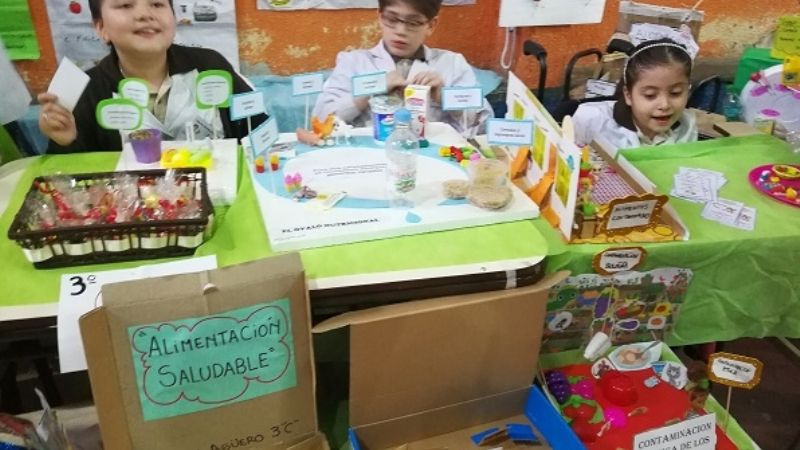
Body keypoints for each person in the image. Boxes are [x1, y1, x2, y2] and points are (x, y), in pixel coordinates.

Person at [38, 0, 266, 153]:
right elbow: (72, 181)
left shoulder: (210, 65)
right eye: (125, 5)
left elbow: (256, 133)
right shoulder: (86, 91)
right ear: (101, 28)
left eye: (157, 4)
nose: (145, 14)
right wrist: (65, 142)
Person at [313, 0, 493, 137]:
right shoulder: (353, 62)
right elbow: (321, 120)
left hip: (434, 161)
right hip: (368, 160)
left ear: (431, 25)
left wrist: (444, 97)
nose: (401, 31)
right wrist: (367, 92)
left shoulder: (452, 64)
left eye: (413, 23)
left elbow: (483, 124)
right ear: (380, 16)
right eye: (392, 19)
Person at [573, 38, 697, 150]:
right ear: (628, 96)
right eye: (650, 95)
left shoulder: (687, 126)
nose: (664, 105)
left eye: (675, 93)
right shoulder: (592, 121)